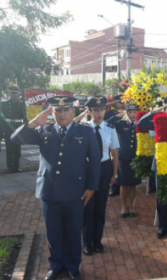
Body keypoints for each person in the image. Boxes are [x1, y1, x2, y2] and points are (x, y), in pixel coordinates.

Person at [11, 96, 100, 280]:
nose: (62, 113)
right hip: (49, 191)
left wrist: (91, 187)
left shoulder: (85, 131)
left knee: (73, 231)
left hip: (75, 190)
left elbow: (95, 161)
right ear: (53, 112)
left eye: (66, 109)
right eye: (58, 110)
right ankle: (56, 265)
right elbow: (15, 139)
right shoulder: (44, 129)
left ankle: (73, 266)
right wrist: (34, 122)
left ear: (73, 111)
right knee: (53, 232)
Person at [74, 97, 119, 256]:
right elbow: (69, 126)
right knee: (87, 207)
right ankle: (87, 242)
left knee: (100, 206)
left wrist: (114, 174)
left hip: (105, 168)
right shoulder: (82, 128)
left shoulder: (110, 128)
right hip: (87, 170)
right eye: (96, 110)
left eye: (102, 110)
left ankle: (97, 241)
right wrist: (79, 117)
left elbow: (114, 153)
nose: (100, 113)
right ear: (90, 111)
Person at [137, 96, 167, 240]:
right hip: (161, 163)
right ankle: (163, 228)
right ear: (166, 109)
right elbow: (141, 123)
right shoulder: (159, 121)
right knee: (161, 197)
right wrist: (154, 111)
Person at [107, 103, 142, 218]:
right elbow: (108, 122)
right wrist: (118, 115)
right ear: (126, 113)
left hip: (136, 158)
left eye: (134, 112)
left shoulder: (141, 124)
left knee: (133, 185)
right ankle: (123, 206)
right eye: (130, 112)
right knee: (123, 184)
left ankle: (131, 206)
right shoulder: (121, 124)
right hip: (123, 158)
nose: (132, 114)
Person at [0, 87, 25, 173]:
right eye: (11, 93)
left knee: (17, 148)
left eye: (15, 93)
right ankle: (10, 167)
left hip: (18, 127)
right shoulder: (4, 104)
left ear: (19, 95)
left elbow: (25, 117)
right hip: (8, 127)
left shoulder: (22, 104)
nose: (13, 95)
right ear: (9, 94)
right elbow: (1, 118)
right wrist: (2, 130)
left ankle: (16, 166)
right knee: (9, 148)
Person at [107, 96, 126, 197]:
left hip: (125, 142)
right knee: (115, 165)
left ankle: (122, 187)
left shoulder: (130, 111)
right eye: (119, 102)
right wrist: (118, 116)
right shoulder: (113, 113)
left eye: (122, 102)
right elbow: (108, 122)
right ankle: (114, 188)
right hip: (115, 140)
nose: (121, 103)